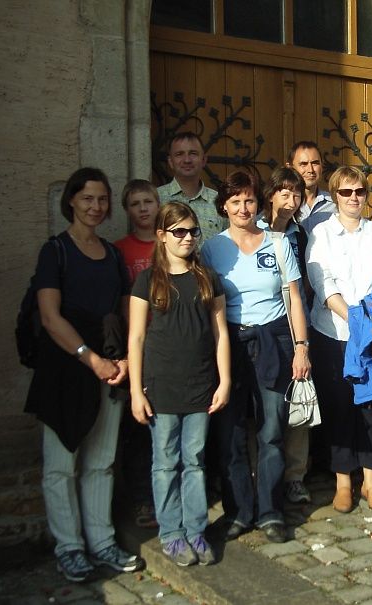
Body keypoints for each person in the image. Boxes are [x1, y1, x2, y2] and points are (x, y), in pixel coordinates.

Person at [24, 167, 145, 582]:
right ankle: (69, 547)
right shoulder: (55, 251)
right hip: (66, 367)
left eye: (102, 199)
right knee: (61, 464)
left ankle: (102, 541)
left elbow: (124, 309)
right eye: (88, 198)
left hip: (110, 369)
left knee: (102, 462)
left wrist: (125, 360)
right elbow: (50, 316)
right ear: (72, 201)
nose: (96, 206)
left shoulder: (111, 254)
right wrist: (90, 359)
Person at [202, 170, 310, 544]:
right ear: (224, 207)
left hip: (273, 340)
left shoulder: (278, 244)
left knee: (272, 430)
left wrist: (301, 347)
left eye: (248, 200)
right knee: (230, 432)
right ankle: (238, 512)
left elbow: (294, 299)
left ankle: (270, 512)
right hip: (229, 342)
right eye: (235, 201)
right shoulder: (212, 249)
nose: (243, 208)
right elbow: (207, 304)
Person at [128, 202, 230, 566]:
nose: (187, 238)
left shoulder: (207, 278)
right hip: (162, 386)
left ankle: (196, 530)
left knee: (195, 460)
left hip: (200, 384)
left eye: (192, 231)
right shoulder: (148, 280)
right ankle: (171, 533)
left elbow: (220, 333)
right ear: (162, 235)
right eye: (179, 232)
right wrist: (135, 390)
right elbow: (136, 337)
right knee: (165, 462)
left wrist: (225, 380)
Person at [306, 166, 372, 514]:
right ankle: (343, 482)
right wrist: (353, 318)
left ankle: (371, 482)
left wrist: (370, 323)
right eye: (346, 192)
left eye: (360, 191)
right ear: (335, 196)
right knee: (340, 408)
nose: (354, 198)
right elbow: (322, 281)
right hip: (335, 333)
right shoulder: (321, 234)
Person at [256, 167, 313, 504]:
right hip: (265, 327)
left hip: (297, 325)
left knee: (299, 399)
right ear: (271, 195)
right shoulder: (255, 229)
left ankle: (295, 475)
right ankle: (261, 474)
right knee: (265, 407)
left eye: (297, 194)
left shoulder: (300, 234)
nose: (291, 200)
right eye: (285, 193)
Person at [115, 179, 160, 529]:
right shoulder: (120, 250)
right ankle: (144, 498)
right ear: (127, 210)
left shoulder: (169, 242)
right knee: (140, 428)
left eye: (148, 202)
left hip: (171, 345)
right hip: (138, 344)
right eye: (135, 204)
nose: (143, 209)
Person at [158, 132, 226, 241]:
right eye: (179, 154)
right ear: (170, 161)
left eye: (193, 153)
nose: (187, 160)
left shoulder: (219, 201)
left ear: (203, 160)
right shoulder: (157, 199)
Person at [286, 141, 335, 233]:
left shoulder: (335, 204)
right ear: (290, 167)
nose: (310, 170)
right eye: (303, 164)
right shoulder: (283, 204)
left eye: (315, 163)